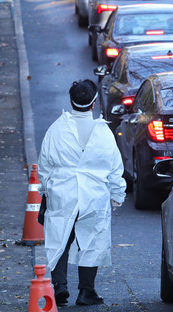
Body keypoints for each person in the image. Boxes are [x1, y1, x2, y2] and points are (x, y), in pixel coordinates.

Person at [37, 79, 126, 306]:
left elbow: (45, 164)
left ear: (70, 101)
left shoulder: (57, 129)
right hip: (94, 196)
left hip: (62, 192)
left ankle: (59, 286)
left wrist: (46, 189)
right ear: (94, 104)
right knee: (92, 240)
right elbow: (115, 168)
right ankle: (87, 291)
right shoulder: (104, 133)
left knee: (60, 239)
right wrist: (118, 195)